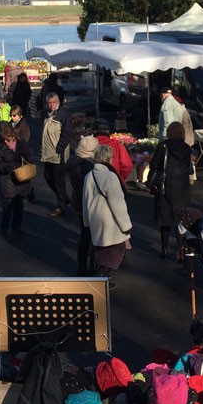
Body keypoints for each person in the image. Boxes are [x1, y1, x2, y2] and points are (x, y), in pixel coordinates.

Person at [82, 145, 132, 286]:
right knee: (117, 250)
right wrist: (126, 225)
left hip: (95, 219)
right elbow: (118, 204)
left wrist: (87, 222)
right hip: (111, 221)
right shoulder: (110, 176)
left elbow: (85, 199)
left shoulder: (89, 175)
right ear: (109, 158)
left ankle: (100, 276)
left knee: (100, 250)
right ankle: (102, 276)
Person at [149, 121, 193, 260]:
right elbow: (189, 168)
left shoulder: (163, 146)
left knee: (165, 221)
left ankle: (164, 249)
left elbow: (154, 164)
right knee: (180, 221)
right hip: (182, 187)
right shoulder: (187, 148)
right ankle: (181, 250)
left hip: (165, 186)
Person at [0, 124, 35, 238]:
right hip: (7, 179)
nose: (6, 142)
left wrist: (27, 160)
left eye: (8, 140)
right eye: (4, 140)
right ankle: (4, 228)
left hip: (21, 179)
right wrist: (8, 167)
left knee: (19, 205)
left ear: (14, 136)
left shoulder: (22, 144)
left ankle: (17, 227)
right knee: (7, 205)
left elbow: (30, 155)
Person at [66, 136, 98, 274]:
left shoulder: (74, 162)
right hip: (90, 204)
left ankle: (82, 267)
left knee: (84, 236)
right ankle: (92, 269)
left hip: (78, 202)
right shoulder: (88, 166)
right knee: (93, 237)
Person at [41, 92, 73, 218]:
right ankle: (64, 198)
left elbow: (68, 132)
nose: (51, 105)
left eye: (54, 102)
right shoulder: (47, 113)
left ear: (58, 101)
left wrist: (59, 148)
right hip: (48, 152)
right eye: (49, 103)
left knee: (58, 180)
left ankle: (61, 205)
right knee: (48, 176)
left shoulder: (63, 114)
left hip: (58, 154)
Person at [93, 118, 133, 188]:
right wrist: (120, 176)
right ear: (108, 131)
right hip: (115, 182)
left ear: (94, 131)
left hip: (93, 181)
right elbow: (127, 166)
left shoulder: (89, 144)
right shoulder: (117, 144)